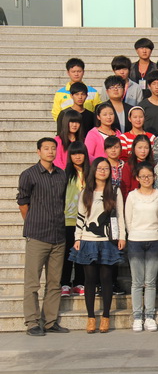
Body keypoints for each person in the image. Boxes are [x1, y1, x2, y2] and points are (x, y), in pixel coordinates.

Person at [17, 138, 69, 336]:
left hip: (58, 235)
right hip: (37, 235)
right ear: (38, 152)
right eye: (46, 148)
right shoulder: (28, 174)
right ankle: (32, 322)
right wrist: (32, 222)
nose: (50, 151)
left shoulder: (61, 174)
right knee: (32, 282)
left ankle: (50, 321)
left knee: (55, 282)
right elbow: (23, 203)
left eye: (53, 148)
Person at [70, 157, 126, 334]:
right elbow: (81, 216)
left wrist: (122, 236)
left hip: (107, 241)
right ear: (93, 170)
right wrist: (77, 238)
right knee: (90, 280)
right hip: (88, 240)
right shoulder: (86, 192)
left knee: (107, 279)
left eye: (106, 168)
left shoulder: (115, 191)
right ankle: (91, 317)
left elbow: (120, 216)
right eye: (100, 168)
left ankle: (106, 316)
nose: (103, 171)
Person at [125, 161, 158, 332]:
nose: (146, 179)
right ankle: (137, 316)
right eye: (143, 176)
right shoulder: (132, 196)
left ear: (154, 177)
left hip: (154, 239)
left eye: (149, 176)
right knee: (137, 282)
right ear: (137, 178)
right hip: (135, 241)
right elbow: (128, 219)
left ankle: (149, 316)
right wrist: (133, 234)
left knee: (151, 282)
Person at [60, 142, 89, 298]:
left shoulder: (90, 173)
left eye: (81, 153)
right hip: (68, 220)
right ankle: (64, 283)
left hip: (86, 221)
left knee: (82, 252)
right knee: (67, 253)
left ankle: (79, 283)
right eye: (74, 154)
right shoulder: (64, 174)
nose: (78, 156)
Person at [121, 134, 154, 201]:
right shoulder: (128, 166)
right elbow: (125, 189)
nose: (143, 151)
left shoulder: (153, 165)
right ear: (134, 148)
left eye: (146, 148)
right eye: (140, 148)